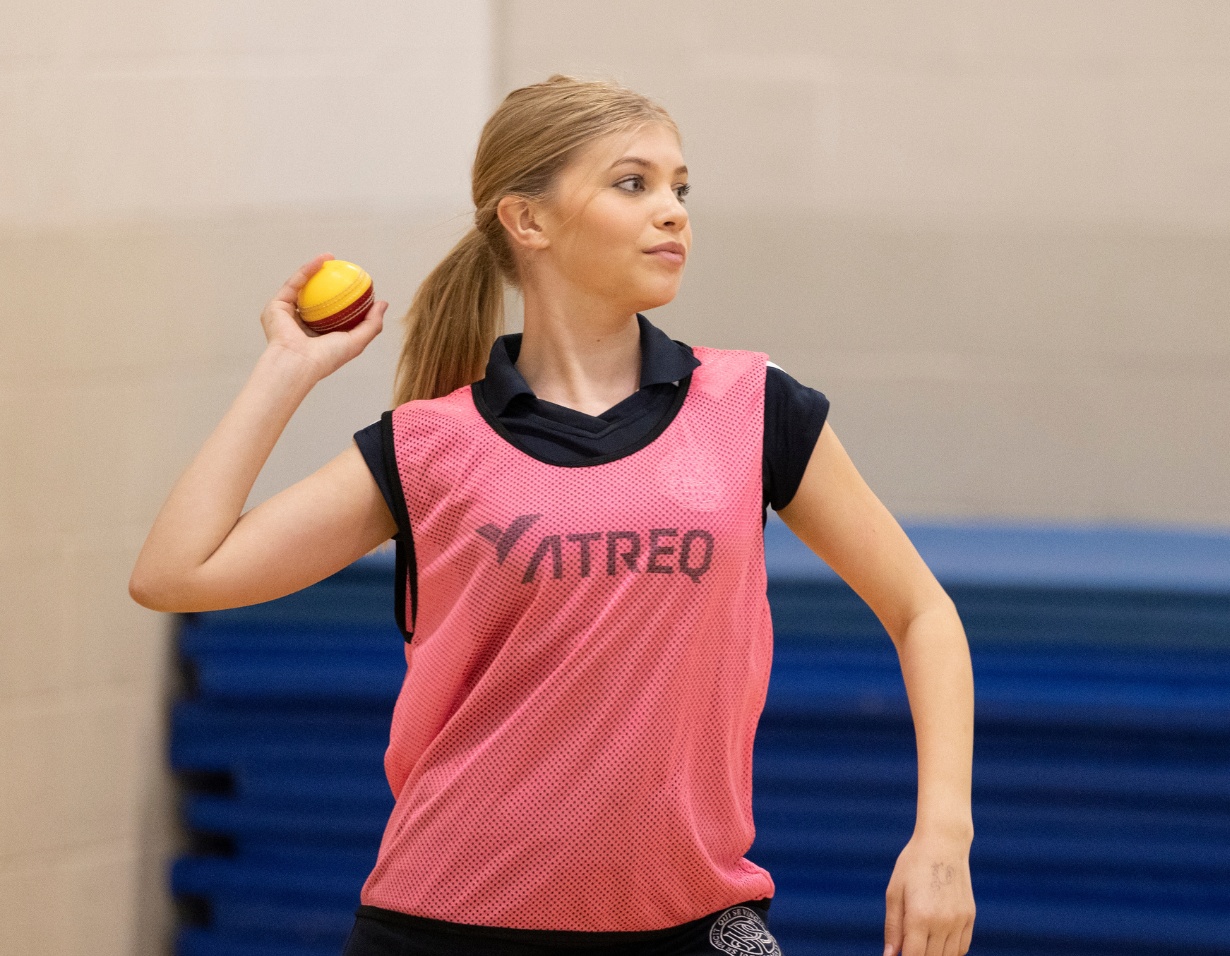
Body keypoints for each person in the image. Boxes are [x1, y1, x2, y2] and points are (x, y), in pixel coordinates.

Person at [130, 74, 976, 956]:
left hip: (693, 923)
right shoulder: (428, 447)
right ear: (526, 221)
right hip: (448, 923)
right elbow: (173, 573)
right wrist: (286, 371)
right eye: (632, 183)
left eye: (680, 187)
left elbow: (924, 613)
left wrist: (943, 836)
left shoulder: (754, 407)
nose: (673, 213)